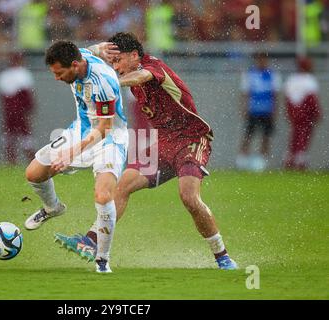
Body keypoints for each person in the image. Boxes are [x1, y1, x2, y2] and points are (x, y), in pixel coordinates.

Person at [55, 32, 237, 270]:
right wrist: (98, 56)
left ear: (134, 55)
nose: (116, 67)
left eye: (118, 61)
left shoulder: (152, 66)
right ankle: (90, 241)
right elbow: (80, 58)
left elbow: (143, 75)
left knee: (189, 197)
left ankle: (222, 256)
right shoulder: (128, 75)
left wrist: (111, 80)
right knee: (122, 186)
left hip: (191, 138)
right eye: (113, 63)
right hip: (161, 142)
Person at [23, 41, 128, 273]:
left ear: (74, 66)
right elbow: (87, 50)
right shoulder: (79, 56)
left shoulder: (104, 82)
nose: (57, 78)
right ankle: (52, 208)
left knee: (102, 195)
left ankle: (102, 259)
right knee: (34, 173)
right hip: (80, 129)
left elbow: (104, 128)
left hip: (110, 138)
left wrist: (72, 152)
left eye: (60, 73)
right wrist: (100, 46)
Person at [236, 52, 281, 171]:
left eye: (264, 60)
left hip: (267, 110)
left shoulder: (272, 74)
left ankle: (261, 161)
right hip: (253, 109)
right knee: (248, 135)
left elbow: (275, 94)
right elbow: (246, 92)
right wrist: (244, 108)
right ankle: (242, 159)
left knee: (265, 136)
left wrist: (275, 110)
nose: (262, 62)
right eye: (259, 59)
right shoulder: (250, 74)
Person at [0, 52, 37, 164]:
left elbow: (3, 96)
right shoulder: (23, 73)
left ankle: (11, 160)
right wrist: (29, 108)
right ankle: (31, 160)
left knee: (10, 134)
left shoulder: (4, 75)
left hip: (9, 110)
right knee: (24, 134)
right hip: (19, 110)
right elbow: (26, 95)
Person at [283, 57, 322, 170]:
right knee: (303, 136)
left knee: (295, 135)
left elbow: (288, 98)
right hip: (305, 113)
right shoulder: (309, 79)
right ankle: (300, 160)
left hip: (294, 112)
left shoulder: (291, 79)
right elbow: (312, 99)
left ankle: (290, 159)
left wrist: (290, 112)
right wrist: (317, 113)